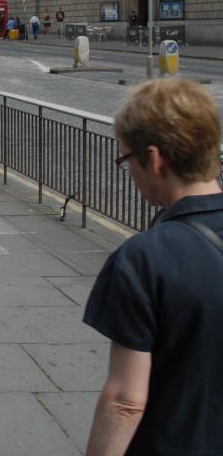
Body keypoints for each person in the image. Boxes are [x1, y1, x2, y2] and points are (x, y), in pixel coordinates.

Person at [83, 78, 223, 455]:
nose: (129, 171)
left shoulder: (144, 259)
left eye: (127, 159)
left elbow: (125, 401)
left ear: (155, 159)